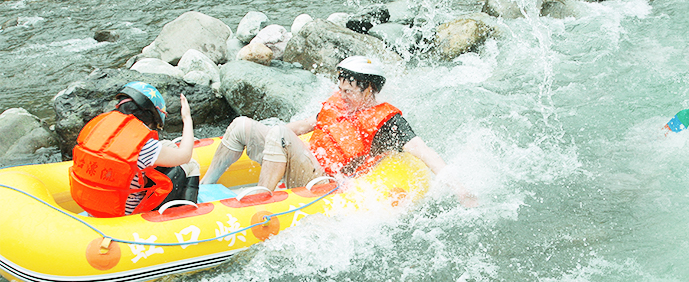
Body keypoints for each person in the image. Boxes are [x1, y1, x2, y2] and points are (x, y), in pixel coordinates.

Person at [201, 56, 476, 207]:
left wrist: (461, 190)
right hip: (305, 159)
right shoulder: (338, 102)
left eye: (349, 90)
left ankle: (262, 200)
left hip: (323, 178)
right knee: (242, 125)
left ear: (368, 89)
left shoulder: (388, 122)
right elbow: (304, 126)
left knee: (280, 135)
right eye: (341, 89)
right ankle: (205, 187)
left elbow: (423, 151)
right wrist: (267, 137)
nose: (341, 95)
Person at [70, 82, 199, 218]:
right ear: (151, 118)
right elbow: (185, 155)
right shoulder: (144, 146)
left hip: (94, 209)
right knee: (191, 165)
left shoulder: (97, 127)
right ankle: (187, 217)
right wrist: (187, 118)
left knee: (166, 144)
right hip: (126, 215)